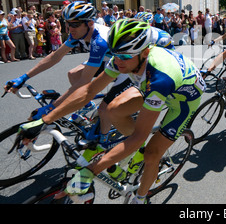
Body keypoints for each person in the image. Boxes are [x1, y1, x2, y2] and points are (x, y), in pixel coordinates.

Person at [17, 19, 205, 204]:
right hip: (150, 81)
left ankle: (141, 198)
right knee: (111, 110)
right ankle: (135, 154)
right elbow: (89, 91)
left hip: (183, 98)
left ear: (145, 52)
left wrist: (91, 170)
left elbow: (139, 135)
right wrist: (45, 120)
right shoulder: (124, 58)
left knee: (152, 154)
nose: (118, 61)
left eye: (124, 56)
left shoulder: (159, 79)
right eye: (115, 54)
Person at [4, 2, 110, 123]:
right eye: (68, 23)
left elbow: (84, 81)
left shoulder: (99, 41)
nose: (70, 29)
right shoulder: (78, 33)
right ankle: (88, 105)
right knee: (73, 74)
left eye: (75, 24)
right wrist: (23, 77)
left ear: (90, 23)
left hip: (123, 64)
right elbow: (55, 56)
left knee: (106, 110)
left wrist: (51, 108)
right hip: (106, 59)